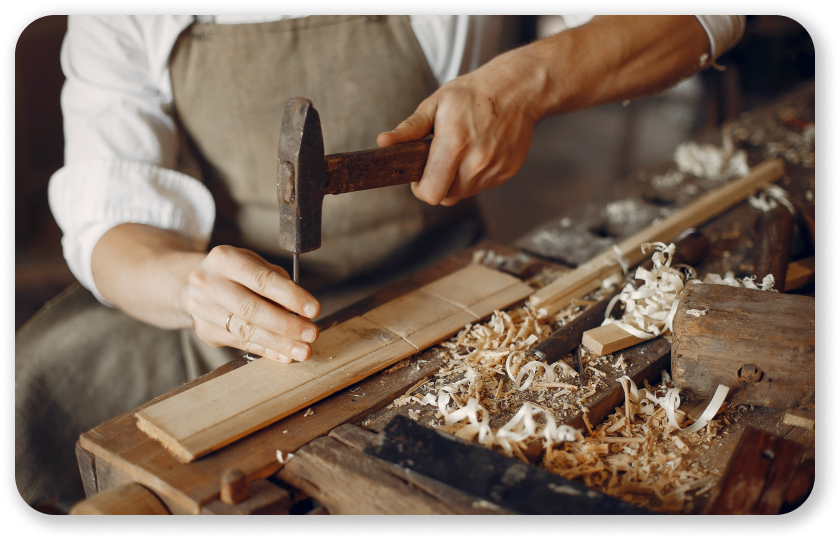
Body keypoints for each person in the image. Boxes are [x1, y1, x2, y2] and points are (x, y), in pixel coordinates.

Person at [16, 14, 745, 511]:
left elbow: (702, 21)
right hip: (217, 309)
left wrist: (529, 82)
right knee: (40, 382)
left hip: (442, 288)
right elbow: (111, 223)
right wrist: (187, 283)